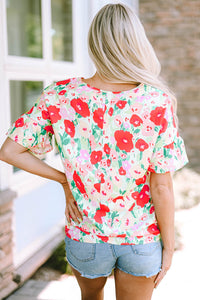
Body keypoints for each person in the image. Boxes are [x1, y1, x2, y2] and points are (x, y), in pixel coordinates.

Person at [0, 3, 188, 300]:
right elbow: (161, 186)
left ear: (94, 44)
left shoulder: (60, 95)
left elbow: (10, 151)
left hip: (86, 239)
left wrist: (65, 179)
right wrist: (167, 246)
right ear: (136, 44)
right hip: (140, 239)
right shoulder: (157, 102)